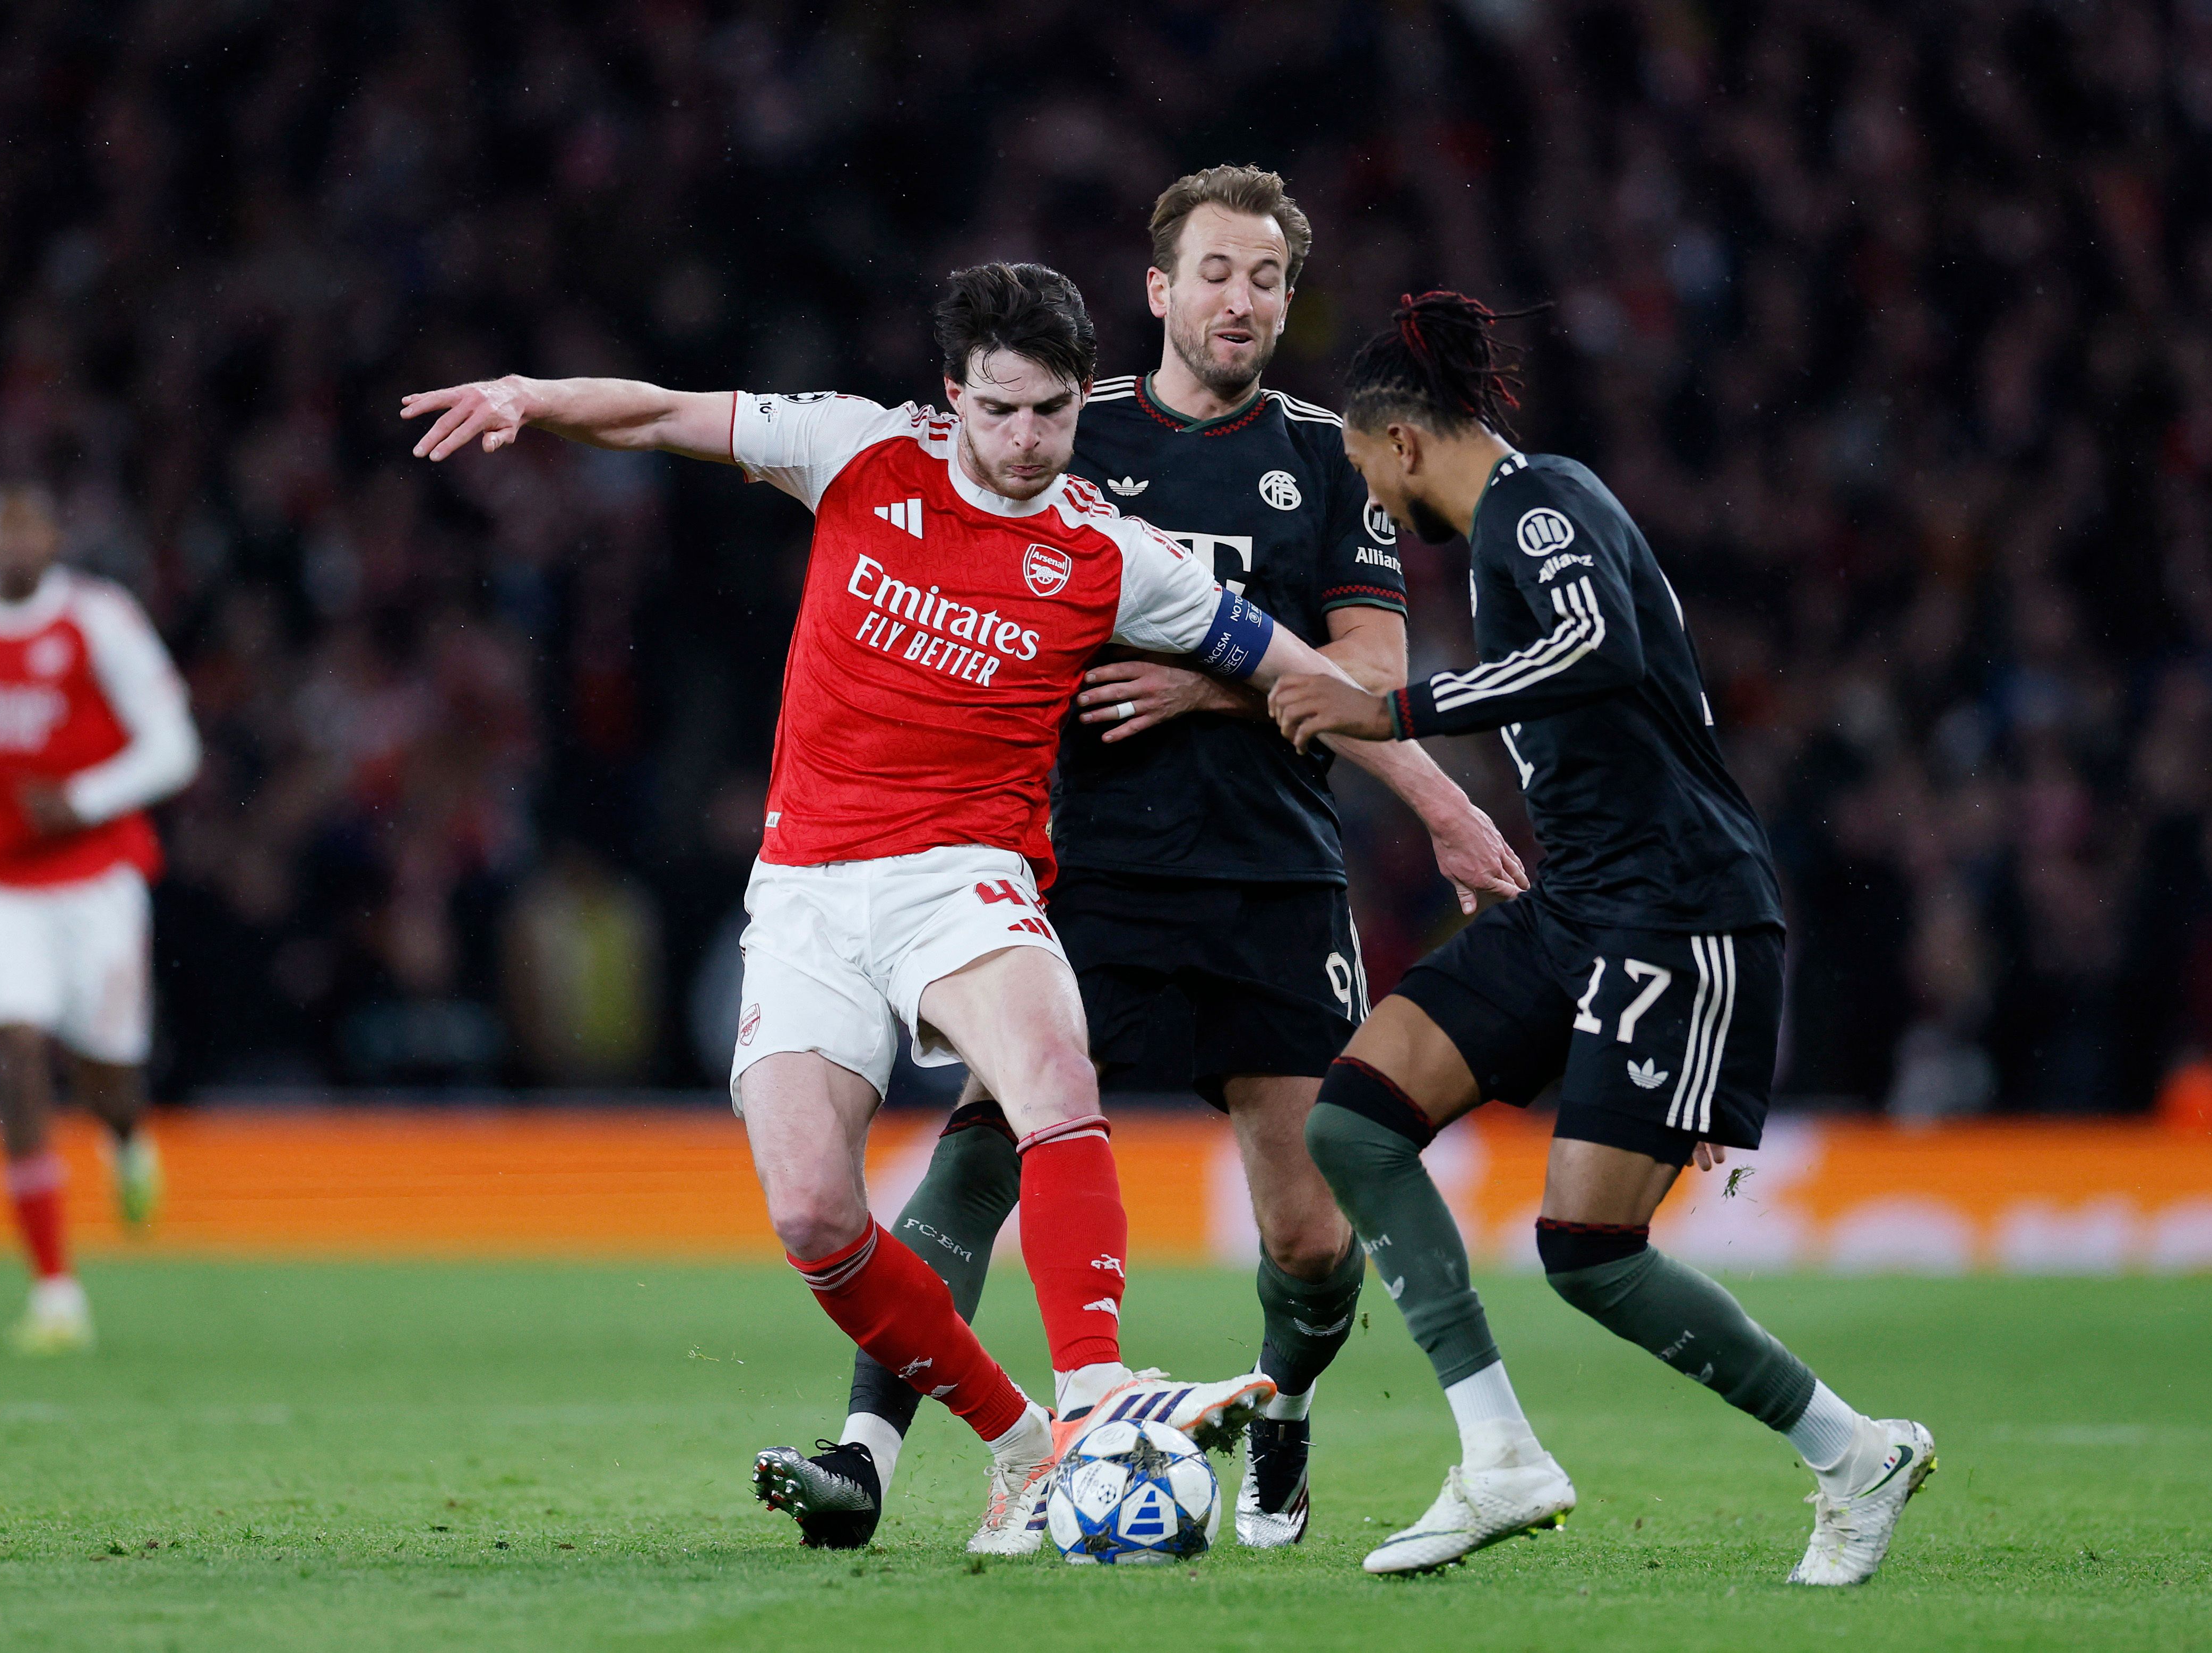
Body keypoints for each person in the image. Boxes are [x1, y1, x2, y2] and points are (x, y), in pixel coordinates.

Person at [399, 263, 1512, 1555]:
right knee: (813, 1216)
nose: (1027, 439)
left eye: (1051, 411)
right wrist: (530, 396)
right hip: (807, 889)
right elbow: (657, 414)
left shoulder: (1110, 554)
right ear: (951, 395)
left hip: (964, 877)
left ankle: (1095, 1390)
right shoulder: (856, 450)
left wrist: (1444, 806)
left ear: (1076, 396)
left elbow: (1299, 672)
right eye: (999, 410)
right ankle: (1022, 1443)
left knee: (1050, 1072)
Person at [774, 166, 1527, 1554]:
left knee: (1308, 1235)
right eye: (1214, 273)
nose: (1238, 300)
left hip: (1270, 872)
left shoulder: (1324, 458)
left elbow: (1369, 667)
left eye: (1265, 279)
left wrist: (1210, 684)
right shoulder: (1062, 427)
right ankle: (864, 1453)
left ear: (1286, 303)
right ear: (1157, 289)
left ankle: (1282, 1405)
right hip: (1078, 866)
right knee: (982, 1154)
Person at [1269, 291, 1935, 1587]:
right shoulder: (1503, 531)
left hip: (1678, 909)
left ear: (1400, 442)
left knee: (1585, 1251)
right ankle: (1498, 1455)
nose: (1374, 507)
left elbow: (1597, 646)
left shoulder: (1538, 502)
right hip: (1578, 901)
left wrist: (1389, 710)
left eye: (1366, 474)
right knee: (1350, 1123)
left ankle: (1851, 1452)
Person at [0, 483, 200, 1353]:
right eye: (0, 529)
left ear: (56, 540)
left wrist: (84, 799)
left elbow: (175, 745)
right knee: (15, 1049)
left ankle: (126, 1139)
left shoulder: (100, 619)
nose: (14, 545)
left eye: (30, 530)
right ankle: (56, 1290)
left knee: (106, 1070)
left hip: (95, 876)